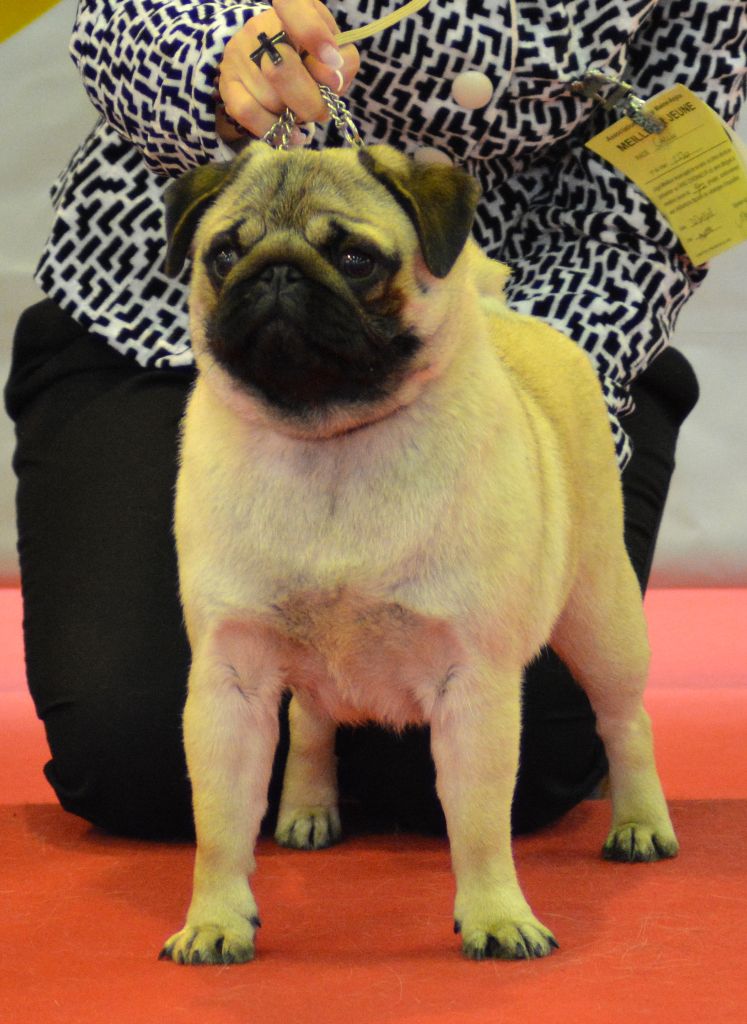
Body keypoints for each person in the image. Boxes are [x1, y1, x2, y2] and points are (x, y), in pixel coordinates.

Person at [5, 0, 745, 840]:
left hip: (510, 327)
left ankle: (332, 722)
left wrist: (526, 394)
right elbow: (119, 17)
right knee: (137, 759)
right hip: (170, 338)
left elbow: (642, 219)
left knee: (515, 757)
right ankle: (306, 718)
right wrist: (215, 62)